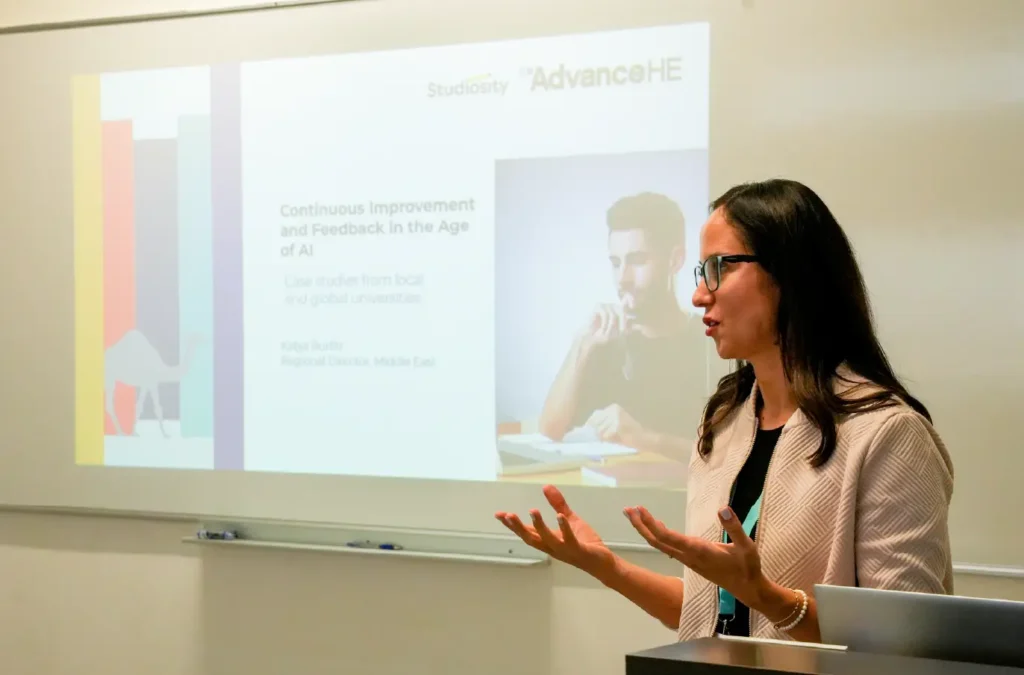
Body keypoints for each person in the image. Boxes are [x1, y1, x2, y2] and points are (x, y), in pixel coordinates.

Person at [496, 178, 954, 643]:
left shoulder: (887, 435)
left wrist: (771, 599)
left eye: (720, 268)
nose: (700, 295)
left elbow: (905, 642)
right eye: (701, 272)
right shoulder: (725, 423)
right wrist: (608, 567)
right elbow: (711, 613)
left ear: (789, 273)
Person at [537, 191, 708, 461]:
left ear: (675, 260)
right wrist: (582, 342)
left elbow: (727, 456)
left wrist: (647, 439)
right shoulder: (606, 342)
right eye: (616, 263)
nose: (622, 279)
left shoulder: (708, 343)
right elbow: (551, 430)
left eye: (637, 260)